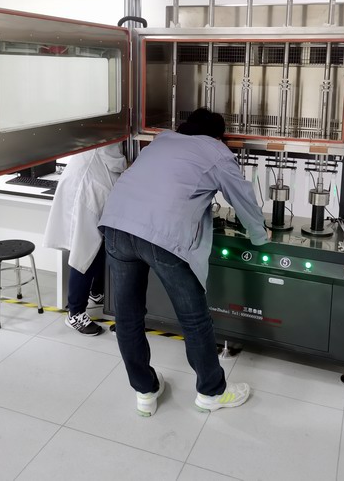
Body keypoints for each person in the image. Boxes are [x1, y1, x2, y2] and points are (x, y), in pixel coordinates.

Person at [99, 108, 269, 416]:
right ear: (219, 136)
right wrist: (260, 236)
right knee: (194, 319)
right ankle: (211, 392)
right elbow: (242, 197)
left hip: (116, 226)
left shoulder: (162, 141)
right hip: (163, 237)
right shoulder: (216, 151)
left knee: (127, 318)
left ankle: (144, 391)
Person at [44, 143, 127, 335]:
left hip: (91, 185)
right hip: (86, 189)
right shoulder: (108, 132)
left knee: (99, 246)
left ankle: (96, 292)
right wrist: (133, 164)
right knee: (84, 252)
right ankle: (75, 313)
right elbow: (114, 160)